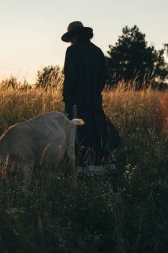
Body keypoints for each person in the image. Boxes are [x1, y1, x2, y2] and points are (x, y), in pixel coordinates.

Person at [61, 21, 113, 174]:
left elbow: (70, 78)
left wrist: (67, 100)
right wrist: (95, 94)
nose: (70, 41)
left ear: (74, 36)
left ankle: (85, 173)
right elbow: (104, 77)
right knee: (98, 134)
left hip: (78, 103)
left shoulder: (72, 51)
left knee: (80, 137)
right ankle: (104, 170)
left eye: (71, 37)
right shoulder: (98, 51)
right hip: (95, 103)